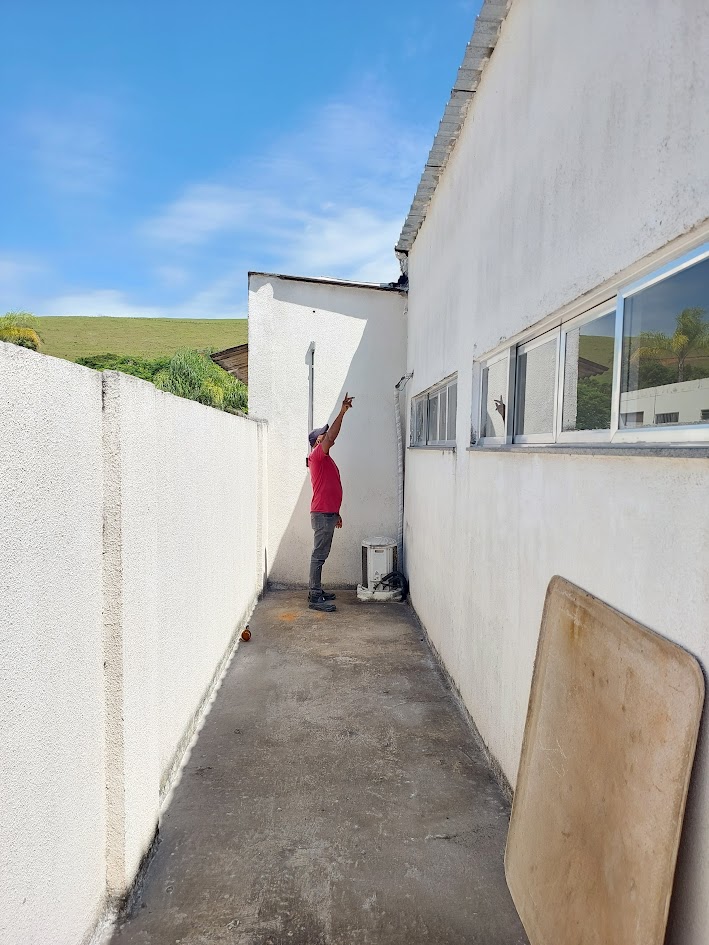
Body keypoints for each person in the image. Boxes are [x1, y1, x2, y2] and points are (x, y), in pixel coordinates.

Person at [306, 392, 354, 612]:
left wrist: (336, 513)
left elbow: (330, 487)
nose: (327, 436)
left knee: (321, 555)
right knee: (319, 556)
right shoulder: (317, 455)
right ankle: (315, 596)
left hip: (328, 513)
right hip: (322, 514)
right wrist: (342, 412)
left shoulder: (324, 459)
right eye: (323, 435)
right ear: (318, 441)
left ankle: (317, 591)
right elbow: (332, 437)